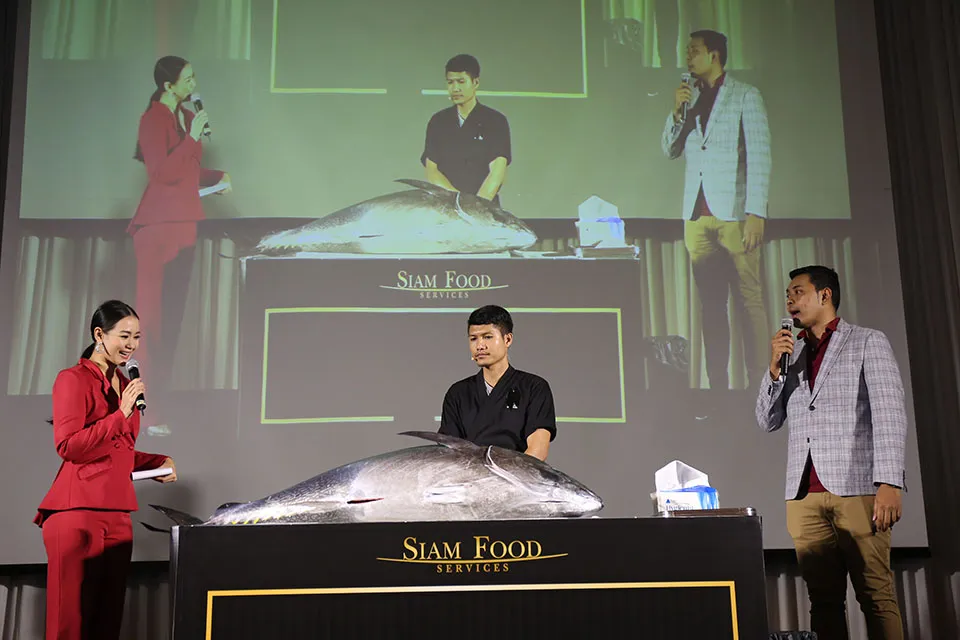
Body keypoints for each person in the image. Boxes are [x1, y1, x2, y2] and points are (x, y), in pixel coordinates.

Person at [756, 266, 907, 640]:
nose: (789, 301)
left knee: (876, 596)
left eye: (798, 292)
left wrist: (889, 483)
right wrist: (774, 371)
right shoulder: (792, 353)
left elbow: (889, 411)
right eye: (787, 295)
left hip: (857, 489)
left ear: (825, 295)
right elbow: (767, 421)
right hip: (804, 496)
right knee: (823, 602)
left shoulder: (867, 341)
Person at [34, 300, 178, 639]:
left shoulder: (124, 384)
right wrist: (121, 412)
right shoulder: (72, 379)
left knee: (106, 622)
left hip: (118, 515)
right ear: (99, 335)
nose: (131, 345)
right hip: (76, 512)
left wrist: (157, 461)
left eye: (137, 337)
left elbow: (117, 449)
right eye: (124, 336)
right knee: (69, 625)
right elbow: (69, 446)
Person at [661, 29, 771, 390]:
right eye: (687, 51)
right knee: (711, 305)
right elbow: (670, 150)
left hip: (735, 215)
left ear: (714, 55)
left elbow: (760, 155)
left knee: (749, 301)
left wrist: (756, 212)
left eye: (694, 51)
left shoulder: (745, 95)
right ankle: (718, 386)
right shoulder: (691, 98)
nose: (688, 57)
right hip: (697, 217)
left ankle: (760, 384)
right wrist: (677, 110)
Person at [129, 55, 231, 405]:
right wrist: (191, 138)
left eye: (193, 77)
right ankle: (146, 410)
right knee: (152, 326)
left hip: (184, 227)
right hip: (157, 230)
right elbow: (161, 174)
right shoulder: (153, 119)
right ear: (167, 86)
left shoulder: (186, 117)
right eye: (187, 79)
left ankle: (156, 407)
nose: (193, 85)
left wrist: (218, 177)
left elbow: (186, 171)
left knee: (171, 324)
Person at [439, 305, 556, 460]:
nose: (480, 346)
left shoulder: (534, 387)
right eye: (473, 339)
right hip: (468, 474)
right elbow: (448, 452)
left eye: (487, 337)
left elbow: (538, 451)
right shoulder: (458, 393)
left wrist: (503, 473)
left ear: (507, 339)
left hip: (517, 474)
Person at [421, 54, 511, 206]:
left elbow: (497, 172)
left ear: (475, 83)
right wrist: (458, 202)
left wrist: (475, 206)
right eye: (450, 82)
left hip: (484, 207)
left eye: (461, 82)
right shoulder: (438, 121)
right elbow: (432, 171)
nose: (455, 88)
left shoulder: (496, 121)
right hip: (446, 206)